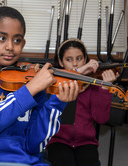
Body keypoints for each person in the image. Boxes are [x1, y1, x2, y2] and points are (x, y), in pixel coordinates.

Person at [0, 6, 79, 165]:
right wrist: (30, 89)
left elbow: (34, 145)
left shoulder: (29, 84)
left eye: (17, 40)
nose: (10, 46)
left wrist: (56, 103)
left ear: (23, 43)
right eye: (1, 38)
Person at [46, 38, 119, 166]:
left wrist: (105, 89)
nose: (75, 64)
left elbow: (101, 119)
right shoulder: (55, 85)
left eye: (79, 59)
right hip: (59, 142)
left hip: (86, 143)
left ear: (85, 59)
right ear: (61, 63)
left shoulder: (93, 86)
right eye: (69, 59)